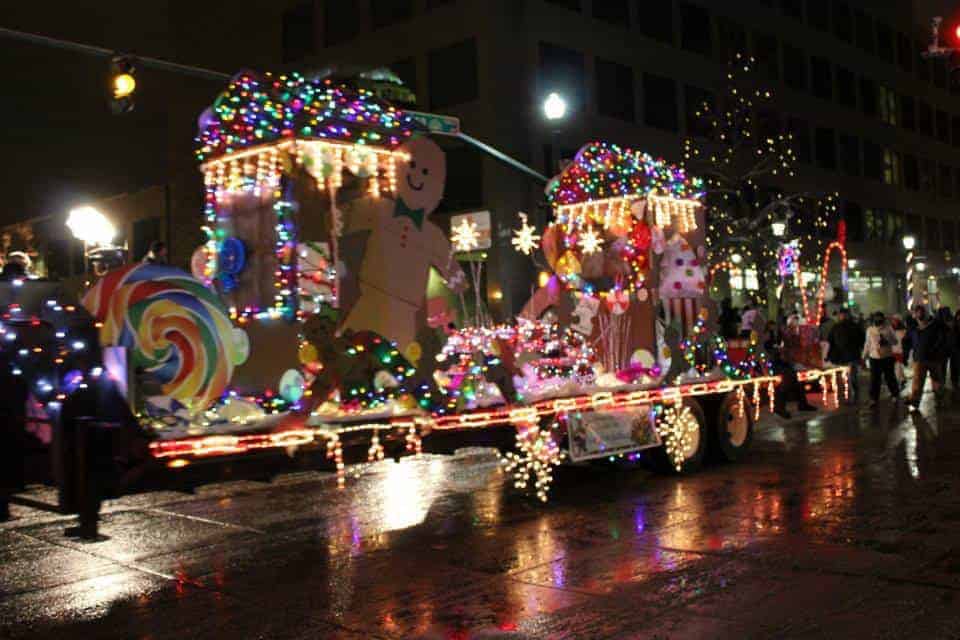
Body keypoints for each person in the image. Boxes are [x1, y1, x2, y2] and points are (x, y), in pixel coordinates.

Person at [765, 319, 817, 419]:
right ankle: (780, 407)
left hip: (783, 362)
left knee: (796, 380)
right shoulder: (768, 337)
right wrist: (778, 351)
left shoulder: (779, 335)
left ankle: (802, 403)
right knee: (786, 382)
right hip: (775, 364)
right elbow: (768, 350)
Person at [0, 352, 28, 521]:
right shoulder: (16, 381)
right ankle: (4, 508)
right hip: (12, 429)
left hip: (7, 428)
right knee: (7, 468)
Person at [906, 304, 948, 409]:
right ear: (914, 315)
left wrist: (939, 350)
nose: (918, 314)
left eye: (920, 312)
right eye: (916, 312)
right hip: (919, 358)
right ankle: (915, 402)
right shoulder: (913, 327)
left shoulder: (936, 324)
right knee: (917, 382)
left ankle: (939, 401)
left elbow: (945, 337)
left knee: (937, 381)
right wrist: (905, 354)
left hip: (934, 358)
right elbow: (907, 341)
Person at [828, 308, 865, 405]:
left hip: (848, 356)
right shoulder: (838, 327)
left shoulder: (849, 326)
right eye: (841, 315)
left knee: (850, 378)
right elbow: (831, 341)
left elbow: (831, 341)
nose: (842, 316)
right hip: (843, 356)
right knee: (847, 378)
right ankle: (849, 398)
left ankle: (852, 398)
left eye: (843, 314)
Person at [862, 312, 899, 408]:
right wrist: (864, 357)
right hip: (874, 358)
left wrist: (887, 339)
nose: (878, 320)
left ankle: (894, 394)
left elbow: (895, 341)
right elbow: (867, 344)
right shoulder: (870, 330)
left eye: (879, 318)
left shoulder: (888, 328)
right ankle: (874, 398)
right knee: (874, 378)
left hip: (887, 357)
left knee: (890, 376)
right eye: (876, 318)